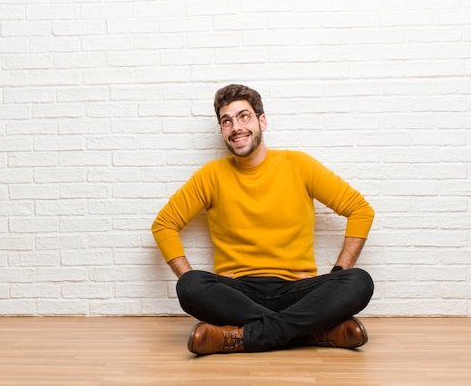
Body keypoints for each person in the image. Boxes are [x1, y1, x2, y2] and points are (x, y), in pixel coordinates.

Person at [151, 84, 375, 355]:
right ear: (222, 130)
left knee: (358, 281)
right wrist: (186, 272)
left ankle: (236, 337)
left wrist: (339, 271)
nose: (235, 126)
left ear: (262, 121)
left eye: (243, 116)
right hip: (239, 292)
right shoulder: (210, 175)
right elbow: (164, 225)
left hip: (297, 288)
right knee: (190, 285)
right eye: (226, 121)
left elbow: (360, 210)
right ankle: (313, 332)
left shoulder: (299, 165)